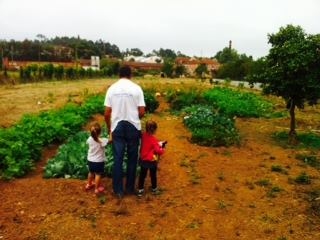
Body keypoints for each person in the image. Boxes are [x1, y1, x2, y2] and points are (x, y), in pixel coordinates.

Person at [104, 65, 145, 198]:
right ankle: (129, 188)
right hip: (133, 126)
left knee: (118, 159)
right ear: (130, 74)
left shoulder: (112, 89)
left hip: (117, 126)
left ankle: (118, 190)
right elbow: (142, 111)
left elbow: (106, 113)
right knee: (132, 159)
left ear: (119, 74)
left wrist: (109, 127)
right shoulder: (137, 88)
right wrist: (134, 117)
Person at [137, 120, 165, 197]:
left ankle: (140, 190)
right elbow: (158, 151)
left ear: (146, 128)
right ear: (155, 130)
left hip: (143, 159)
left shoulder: (143, 136)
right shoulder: (154, 140)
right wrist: (162, 149)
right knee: (153, 175)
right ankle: (154, 189)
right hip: (152, 161)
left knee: (142, 175)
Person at [85, 122, 111, 195]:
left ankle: (88, 184)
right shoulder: (102, 140)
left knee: (91, 172)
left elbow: (89, 142)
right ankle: (96, 189)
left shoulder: (89, 139)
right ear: (100, 132)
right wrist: (111, 132)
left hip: (90, 160)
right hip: (98, 161)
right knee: (98, 174)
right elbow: (111, 140)